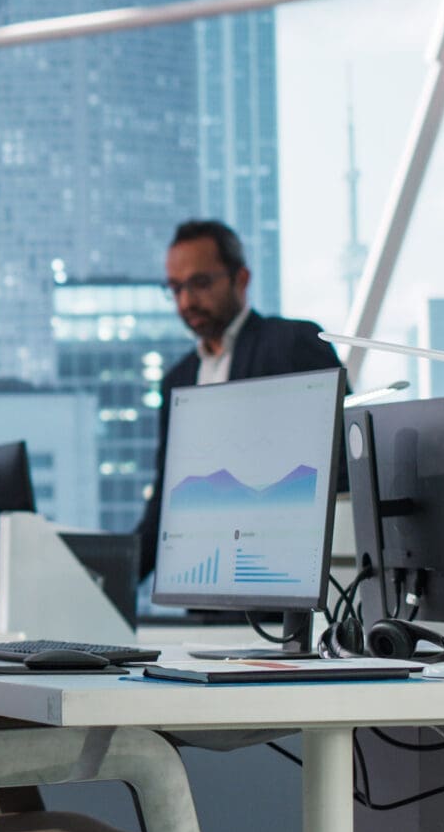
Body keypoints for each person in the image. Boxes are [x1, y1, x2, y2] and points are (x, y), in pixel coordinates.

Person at [137, 218, 341, 577]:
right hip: (203, 582)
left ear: (241, 278)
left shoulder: (291, 344)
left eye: (199, 283)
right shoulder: (177, 379)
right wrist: (111, 576)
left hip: (279, 579)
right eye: (175, 287)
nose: (186, 301)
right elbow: (167, 501)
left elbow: (339, 465)